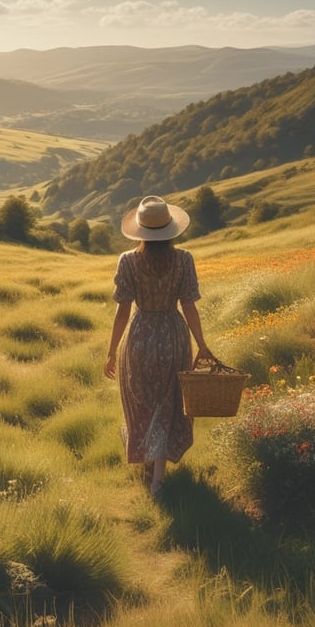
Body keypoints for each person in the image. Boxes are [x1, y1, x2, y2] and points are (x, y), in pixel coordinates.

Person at [104, 195, 217, 498]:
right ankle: (158, 477)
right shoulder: (184, 259)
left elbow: (123, 311)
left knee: (142, 401)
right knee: (169, 402)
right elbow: (189, 306)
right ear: (169, 229)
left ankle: (152, 470)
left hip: (140, 337)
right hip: (174, 336)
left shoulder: (128, 261)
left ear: (140, 231)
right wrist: (201, 344)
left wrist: (112, 351)